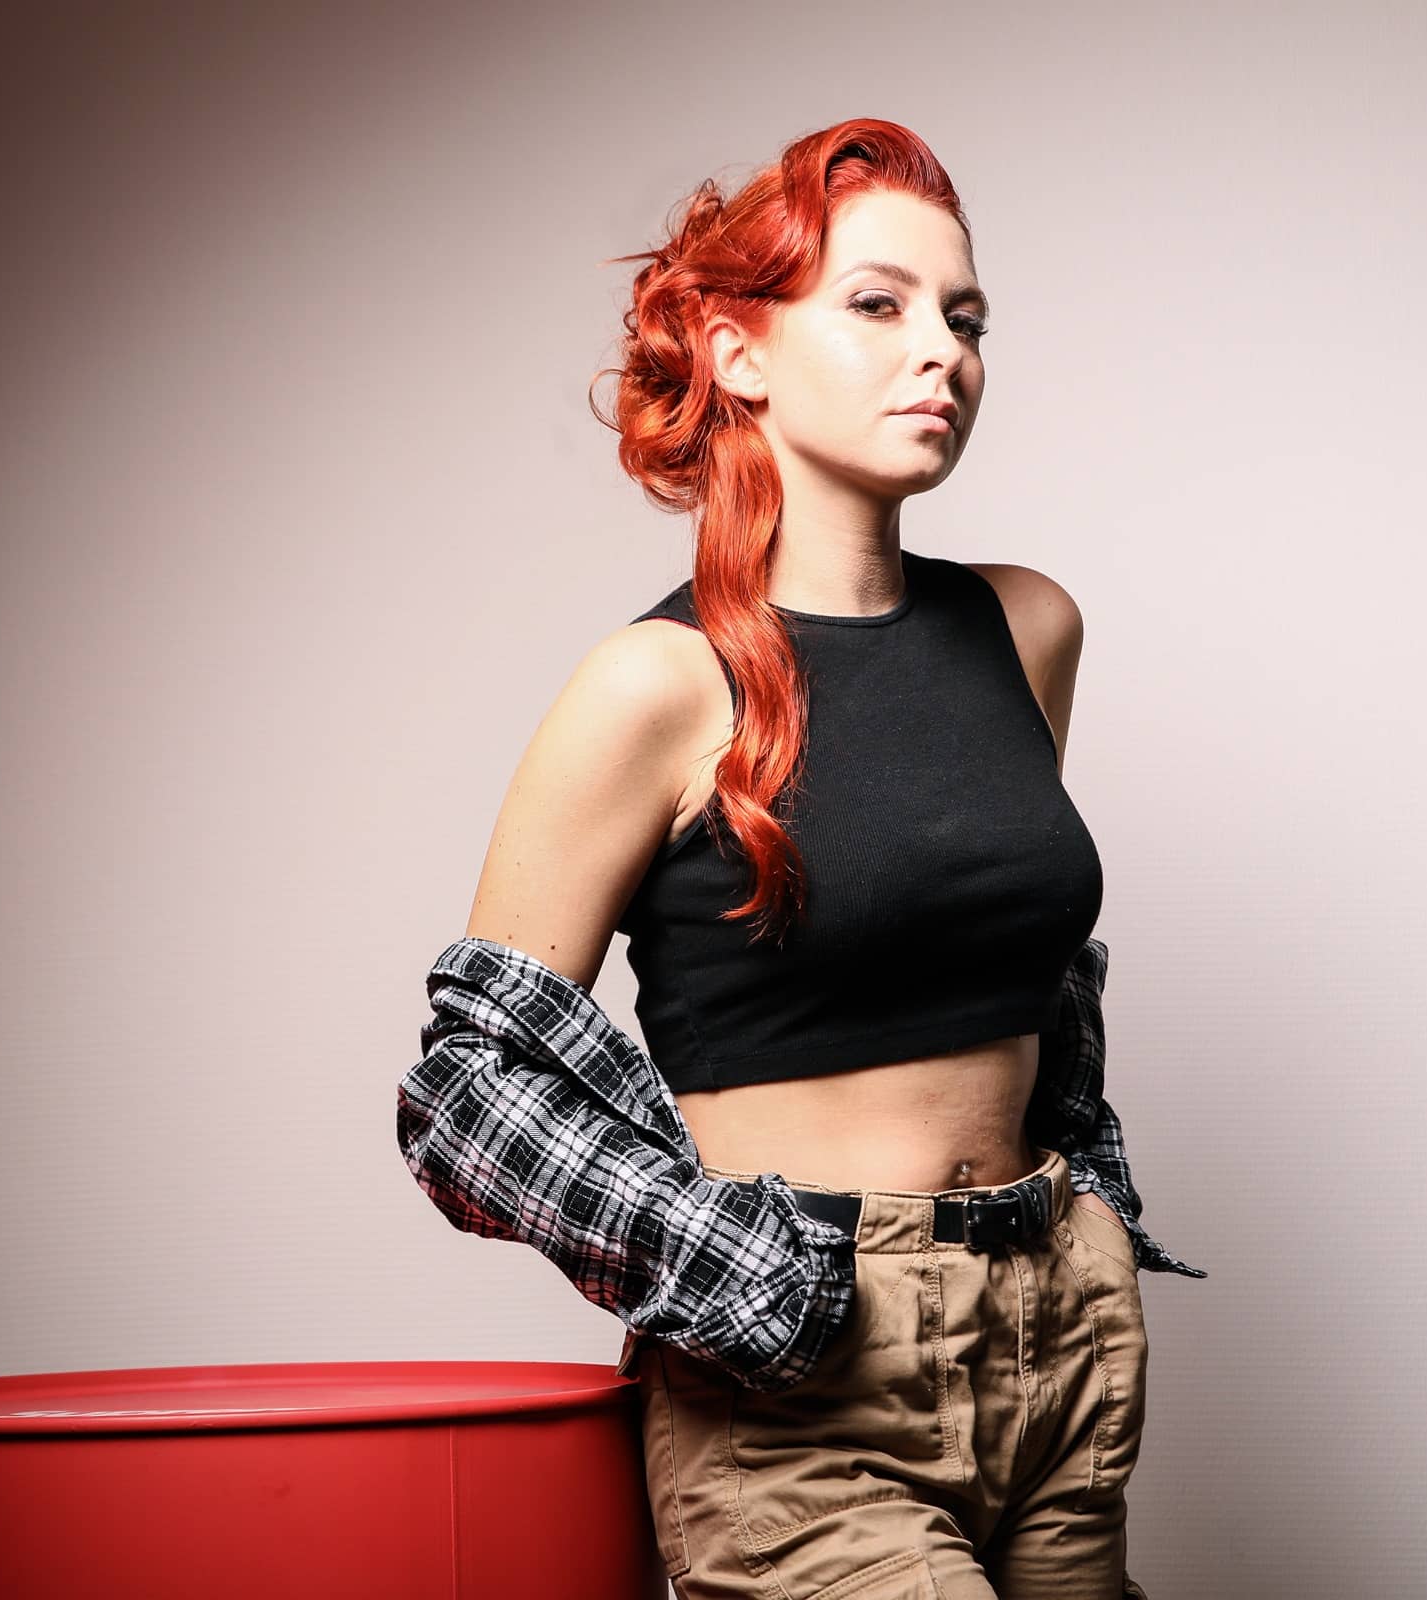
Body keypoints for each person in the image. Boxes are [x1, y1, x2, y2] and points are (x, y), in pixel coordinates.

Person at [453, 117, 1193, 1599]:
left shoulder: (1027, 628)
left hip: (1059, 1335)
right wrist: (740, 1273)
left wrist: (1092, 1207)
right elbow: (470, 1086)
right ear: (739, 354)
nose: (942, 354)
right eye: (878, 304)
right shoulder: (659, 684)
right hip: (805, 1382)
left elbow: (1011, 958)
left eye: (965, 319)